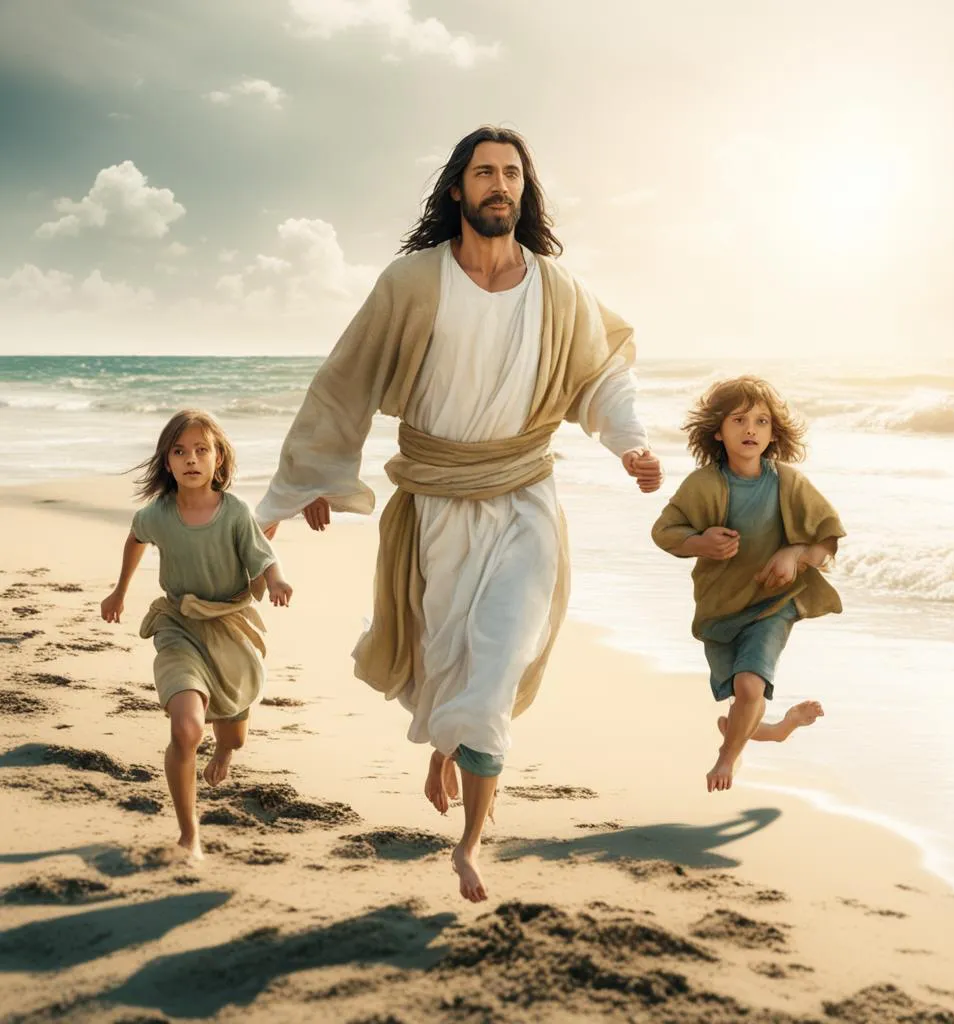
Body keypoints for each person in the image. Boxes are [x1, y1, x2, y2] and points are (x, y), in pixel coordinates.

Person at [256, 125, 663, 902]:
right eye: (484, 173)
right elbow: (347, 381)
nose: (499, 184)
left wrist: (630, 444)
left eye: (512, 173)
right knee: (447, 660)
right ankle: (450, 744)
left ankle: (471, 845)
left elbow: (603, 369)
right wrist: (306, 480)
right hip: (438, 500)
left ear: (524, 190)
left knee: (498, 660)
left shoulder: (558, 288)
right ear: (458, 190)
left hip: (525, 498)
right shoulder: (412, 282)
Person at [100, 409, 292, 858]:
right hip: (178, 624)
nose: (191, 459)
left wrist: (278, 580)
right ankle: (189, 832)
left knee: (233, 737)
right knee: (186, 729)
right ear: (167, 462)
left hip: (229, 627)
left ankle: (225, 751)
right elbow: (135, 537)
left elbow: (262, 557)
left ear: (218, 458)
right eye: (180, 451)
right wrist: (119, 591)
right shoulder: (159, 514)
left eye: (202, 450)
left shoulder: (235, 512)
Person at [651, 376, 844, 793]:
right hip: (721, 608)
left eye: (761, 421)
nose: (750, 429)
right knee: (743, 702)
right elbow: (664, 531)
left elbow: (828, 537)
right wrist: (698, 542)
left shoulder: (787, 482)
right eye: (738, 420)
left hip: (775, 603)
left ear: (774, 432)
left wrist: (794, 555)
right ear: (718, 431)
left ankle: (726, 758)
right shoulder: (702, 484)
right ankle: (774, 731)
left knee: (749, 685)